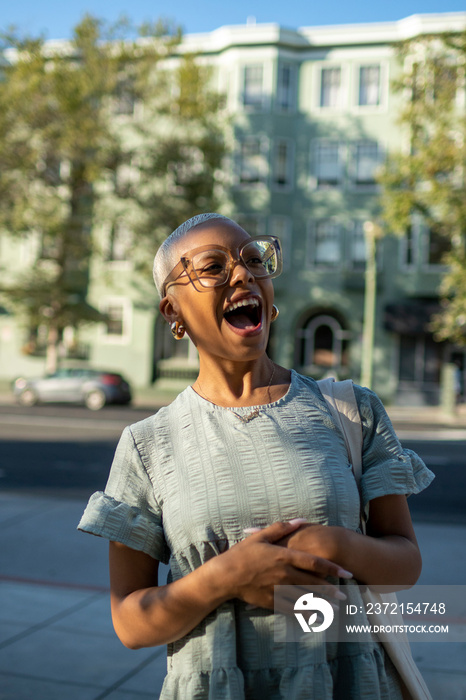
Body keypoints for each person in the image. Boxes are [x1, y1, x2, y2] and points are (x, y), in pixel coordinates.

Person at [78, 213, 434, 699]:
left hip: (348, 681)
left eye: (252, 260)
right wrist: (227, 577)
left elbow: (406, 565)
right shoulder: (148, 443)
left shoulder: (352, 411)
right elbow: (131, 622)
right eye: (213, 267)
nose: (243, 274)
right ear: (172, 313)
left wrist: (336, 545)